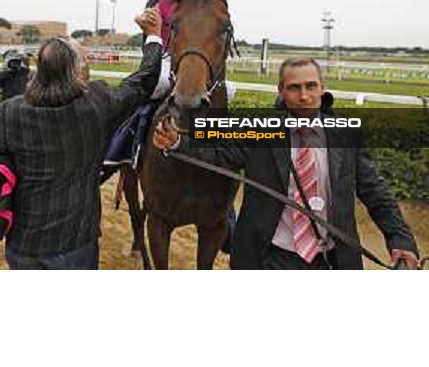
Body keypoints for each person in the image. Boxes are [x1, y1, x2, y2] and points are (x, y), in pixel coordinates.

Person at [153, 57, 420, 270]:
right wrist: (177, 143)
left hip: (332, 262)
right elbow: (219, 155)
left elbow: (376, 193)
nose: (304, 96)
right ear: (281, 91)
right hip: (268, 260)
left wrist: (400, 238)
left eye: (310, 86)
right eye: (294, 88)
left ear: (322, 87)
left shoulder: (346, 134)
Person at [0, 8, 163, 270]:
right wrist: (153, 36)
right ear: (77, 71)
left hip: (21, 246)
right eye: (84, 61)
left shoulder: (12, 110)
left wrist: (15, 170)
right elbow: (144, 80)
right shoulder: (97, 103)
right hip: (74, 247)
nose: (88, 65)